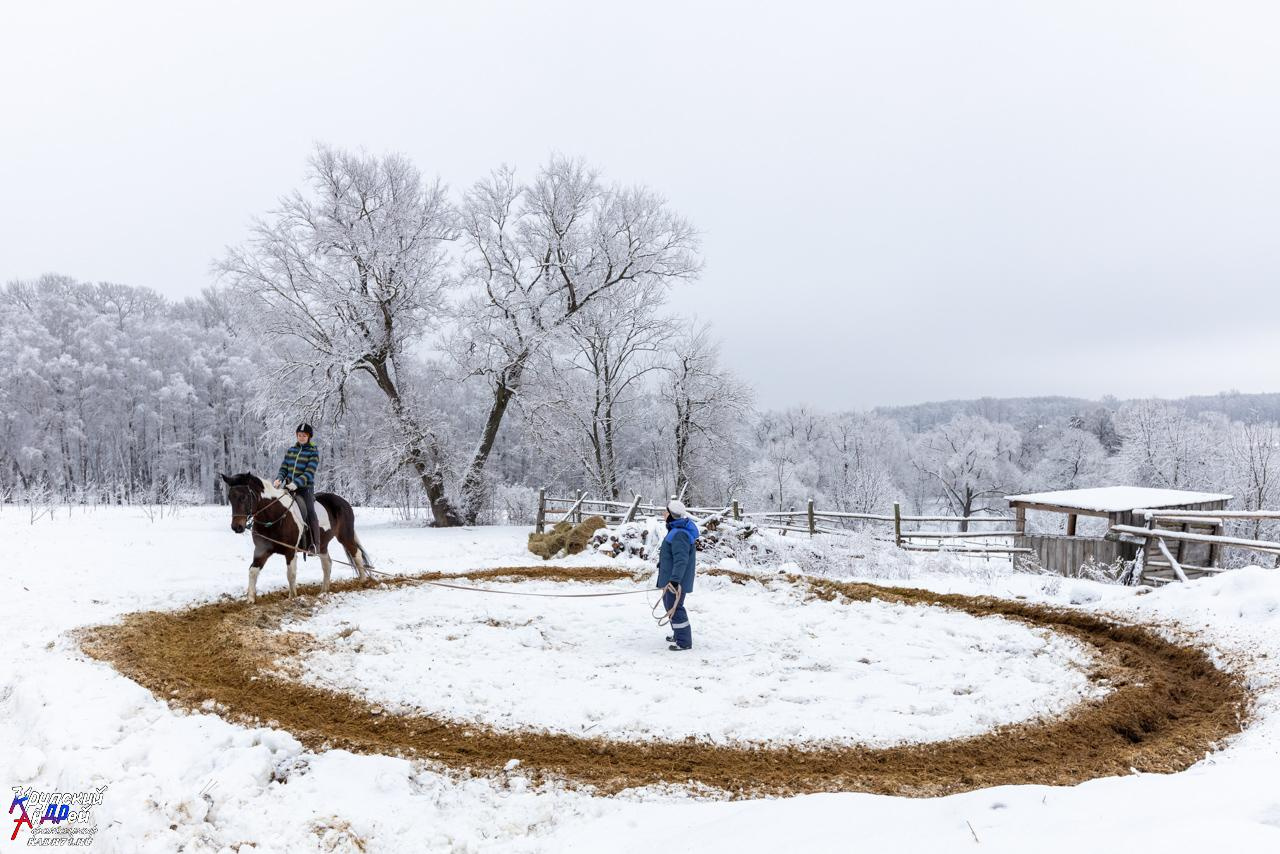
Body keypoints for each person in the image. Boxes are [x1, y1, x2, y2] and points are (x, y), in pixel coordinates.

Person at [656, 499, 699, 651]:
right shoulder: (676, 529)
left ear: (671, 514)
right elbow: (674, 556)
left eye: (665, 511)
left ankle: (684, 641)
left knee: (675, 607)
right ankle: (678, 634)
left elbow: (681, 561)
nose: (663, 514)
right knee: (670, 606)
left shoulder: (679, 533)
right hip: (673, 578)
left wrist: (674, 580)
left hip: (675, 581)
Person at [274, 423, 321, 555]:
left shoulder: (313, 452)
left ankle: (314, 544)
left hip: (305, 488)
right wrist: (279, 479)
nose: (301, 438)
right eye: (299, 435)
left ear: (309, 437)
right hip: (288, 487)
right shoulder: (291, 450)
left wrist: (297, 483)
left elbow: (309, 472)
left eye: (304, 436)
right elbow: (284, 468)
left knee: (310, 511)